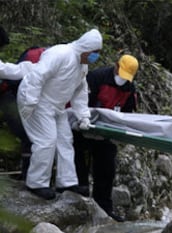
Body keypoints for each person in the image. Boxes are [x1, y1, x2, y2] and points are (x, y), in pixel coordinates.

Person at [16, 29, 103, 200]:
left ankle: (67, 182)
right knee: (46, 141)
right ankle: (36, 183)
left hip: (57, 105)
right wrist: (30, 101)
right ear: (86, 48)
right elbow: (38, 75)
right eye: (94, 53)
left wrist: (83, 116)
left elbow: (80, 91)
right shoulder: (60, 53)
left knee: (65, 140)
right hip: (38, 100)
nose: (96, 57)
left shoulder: (82, 65)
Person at [73, 54, 139, 222]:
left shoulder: (129, 89)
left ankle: (104, 209)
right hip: (84, 127)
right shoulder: (96, 77)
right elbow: (81, 100)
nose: (123, 79)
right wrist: (83, 120)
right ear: (116, 66)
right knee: (79, 162)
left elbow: (127, 114)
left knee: (107, 170)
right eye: (122, 73)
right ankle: (78, 203)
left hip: (107, 134)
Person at [0, 46, 46, 180]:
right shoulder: (37, 56)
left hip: (12, 95)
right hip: (11, 96)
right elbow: (10, 73)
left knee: (28, 136)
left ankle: (26, 172)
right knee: (27, 134)